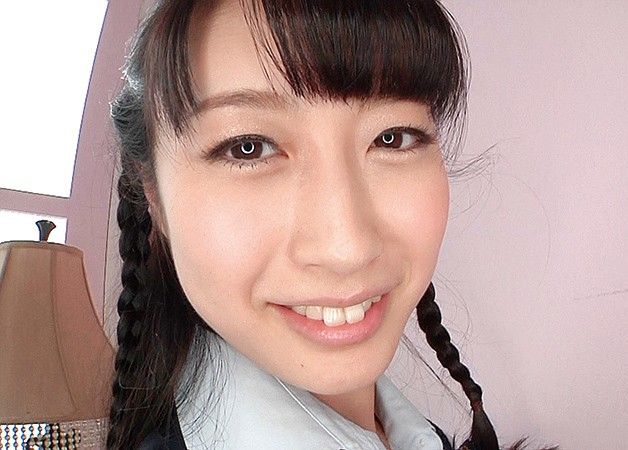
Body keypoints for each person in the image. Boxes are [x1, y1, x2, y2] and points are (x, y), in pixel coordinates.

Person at [107, 1, 552, 449]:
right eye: (248, 147)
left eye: (392, 137)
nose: (348, 249)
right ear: (153, 194)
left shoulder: (418, 435)